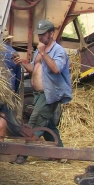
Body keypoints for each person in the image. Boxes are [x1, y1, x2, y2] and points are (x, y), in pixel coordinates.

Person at [12, 19, 72, 164]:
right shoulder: (40, 50)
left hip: (50, 94)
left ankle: (22, 156)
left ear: (51, 34)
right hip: (38, 94)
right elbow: (34, 68)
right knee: (48, 125)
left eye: (43, 34)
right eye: (38, 34)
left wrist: (44, 53)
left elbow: (56, 69)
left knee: (35, 122)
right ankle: (60, 154)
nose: (40, 37)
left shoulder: (58, 51)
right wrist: (23, 63)